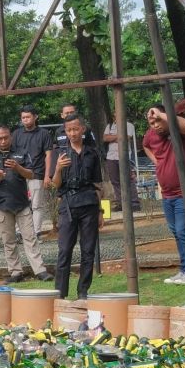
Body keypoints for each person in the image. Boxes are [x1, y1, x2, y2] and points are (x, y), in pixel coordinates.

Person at [0, 125, 52, 284]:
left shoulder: (21, 153)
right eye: (0, 138)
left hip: (21, 203)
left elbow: (32, 173)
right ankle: (16, 272)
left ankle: (40, 270)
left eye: (6, 137)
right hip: (1, 205)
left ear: (11, 137)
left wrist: (18, 167)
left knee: (30, 238)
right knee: (8, 241)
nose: (3, 141)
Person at [142, 103, 185, 284]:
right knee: (176, 232)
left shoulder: (179, 131)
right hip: (168, 193)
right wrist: (157, 162)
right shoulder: (151, 135)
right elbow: (145, 145)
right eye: (151, 122)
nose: (155, 125)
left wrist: (163, 115)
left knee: (183, 230)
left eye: (158, 121)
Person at [48, 114, 103, 300]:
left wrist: (101, 212)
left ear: (82, 129)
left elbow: (98, 185)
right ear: (65, 131)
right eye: (68, 130)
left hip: (89, 205)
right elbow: (55, 184)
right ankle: (60, 294)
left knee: (88, 250)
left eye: (75, 129)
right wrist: (57, 168)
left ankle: (83, 292)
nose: (72, 133)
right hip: (68, 206)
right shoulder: (60, 153)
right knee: (64, 250)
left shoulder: (92, 153)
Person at [12, 104, 52, 238]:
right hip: (19, 173)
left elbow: (48, 155)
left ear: (35, 117)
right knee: (19, 203)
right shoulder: (16, 134)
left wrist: (47, 175)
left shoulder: (44, 134)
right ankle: (19, 232)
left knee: (36, 204)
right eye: (23, 117)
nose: (25, 120)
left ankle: (36, 231)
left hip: (37, 173)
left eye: (28, 117)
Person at [103, 117, 139, 211]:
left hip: (124, 156)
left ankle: (134, 203)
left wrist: (113, 137)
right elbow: (105, 138)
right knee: (115, 181)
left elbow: (126, 137)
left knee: (129, 180)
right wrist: (119, 136)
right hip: (111, 157)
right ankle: (121, 203)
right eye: (115, 113)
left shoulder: (129, 125)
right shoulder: (110, 126)